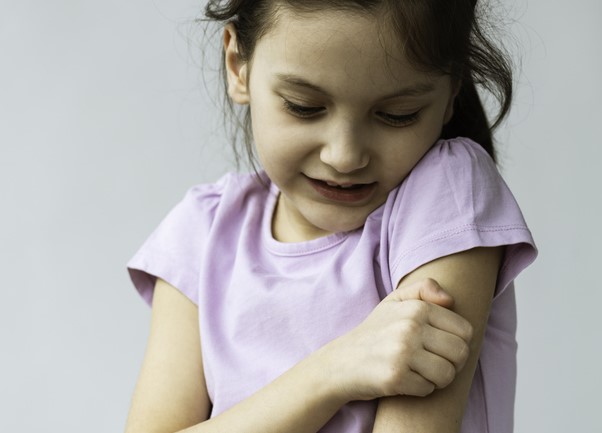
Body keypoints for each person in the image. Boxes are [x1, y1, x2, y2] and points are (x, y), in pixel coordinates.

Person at [125, 1, 537, 432]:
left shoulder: (447, 195)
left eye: (397, 115)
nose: (344, 156)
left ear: (451, 91)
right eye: (304, 106)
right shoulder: (200, 233)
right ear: (238, 66)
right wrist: (333, 371)